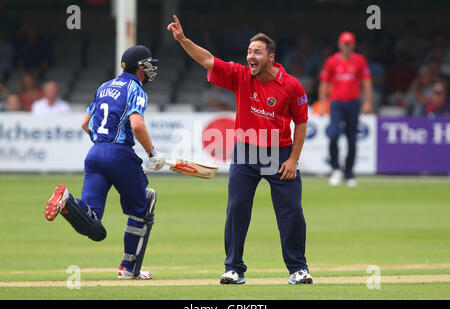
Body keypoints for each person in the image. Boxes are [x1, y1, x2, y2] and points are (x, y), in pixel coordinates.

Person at [168, 15, 312, 285]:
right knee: (237, 208)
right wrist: (182, 40)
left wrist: (293, 159)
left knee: (291, 210)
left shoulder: (291, 85)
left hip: (278, 152)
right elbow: (207, 60)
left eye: (257, 52)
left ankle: (298, 269)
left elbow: (302, 122)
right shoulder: (241, 75)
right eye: (248, 52)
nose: (250, 56)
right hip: (246, 150)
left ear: (271, 57)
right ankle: (234, 268)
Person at [43, 45, 166, 280]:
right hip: (119, 155)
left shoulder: (104, 86)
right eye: (148, 64)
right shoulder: (136, 89)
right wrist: (152, 153)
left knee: (92, 222)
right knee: (145, 204)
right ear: (140, 66)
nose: (151, 69)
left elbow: (84, 124)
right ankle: (129, 269)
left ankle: (67, 202)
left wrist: (103, 145)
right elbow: (138, 125)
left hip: (95, 154)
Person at [318, 31, 372, 187]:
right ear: (340, 44)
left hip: (353, 103)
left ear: (353, 45)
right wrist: (322, 104)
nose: (347, 46)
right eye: (344, 43)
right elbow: (324, 82)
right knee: (333, 135)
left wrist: (367, 102)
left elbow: (367, 81)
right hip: (336, 103)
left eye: (349, 44)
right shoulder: (332, 61)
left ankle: (349, 172)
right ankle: (335, 169)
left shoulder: (359, 61)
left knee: (352, 138)